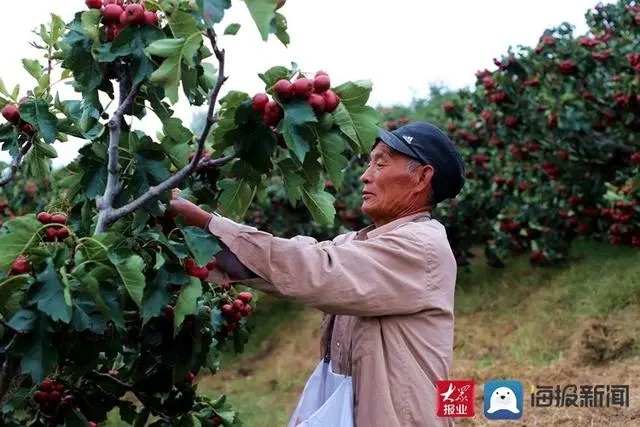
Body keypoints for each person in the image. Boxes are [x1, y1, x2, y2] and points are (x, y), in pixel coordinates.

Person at [168, 122, 466, 427]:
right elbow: (294, 263)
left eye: (381, 162)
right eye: (369, 163)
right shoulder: (360, 243)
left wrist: (208, 223)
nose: (365, 175)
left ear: (422, 177)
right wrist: (195, 237)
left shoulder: (421, 246)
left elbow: (315, 270)